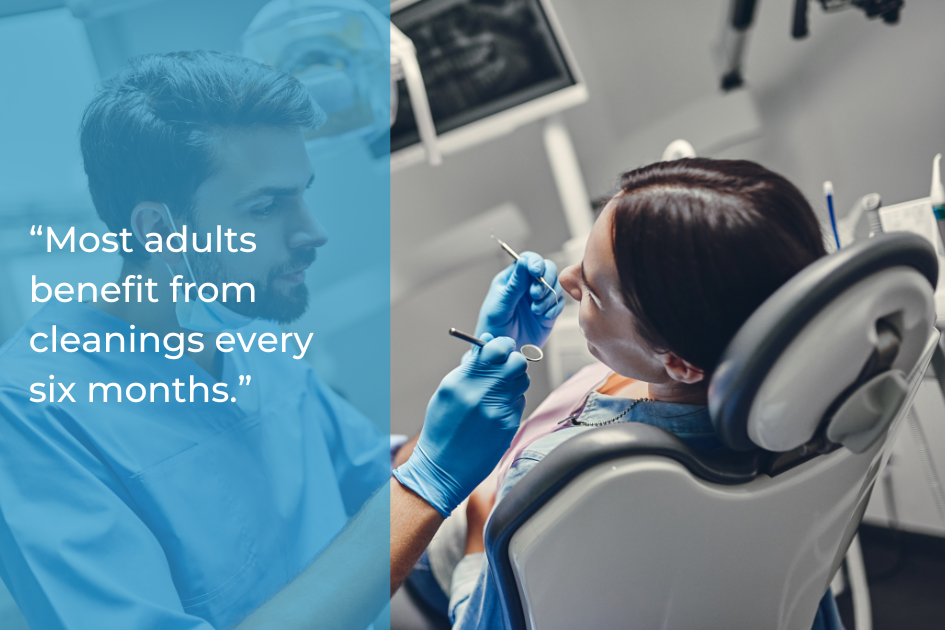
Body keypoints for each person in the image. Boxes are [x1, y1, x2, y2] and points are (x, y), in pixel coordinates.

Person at [0, 51, 562, 630]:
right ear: (159, 230)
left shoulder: (241, 330)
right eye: (266, 207)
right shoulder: (33, 414)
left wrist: (486, 361)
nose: (313, 232)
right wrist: (429, 480)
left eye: (301, 194)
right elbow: (411, 492)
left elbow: (378, 482)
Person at [409, 158, 845, 630]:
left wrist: (478, 529)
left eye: (593, 291)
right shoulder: (805, 415)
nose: (567, 279)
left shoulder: (555, 478)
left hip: (446, 547)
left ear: (680, 362)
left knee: (366, 479)